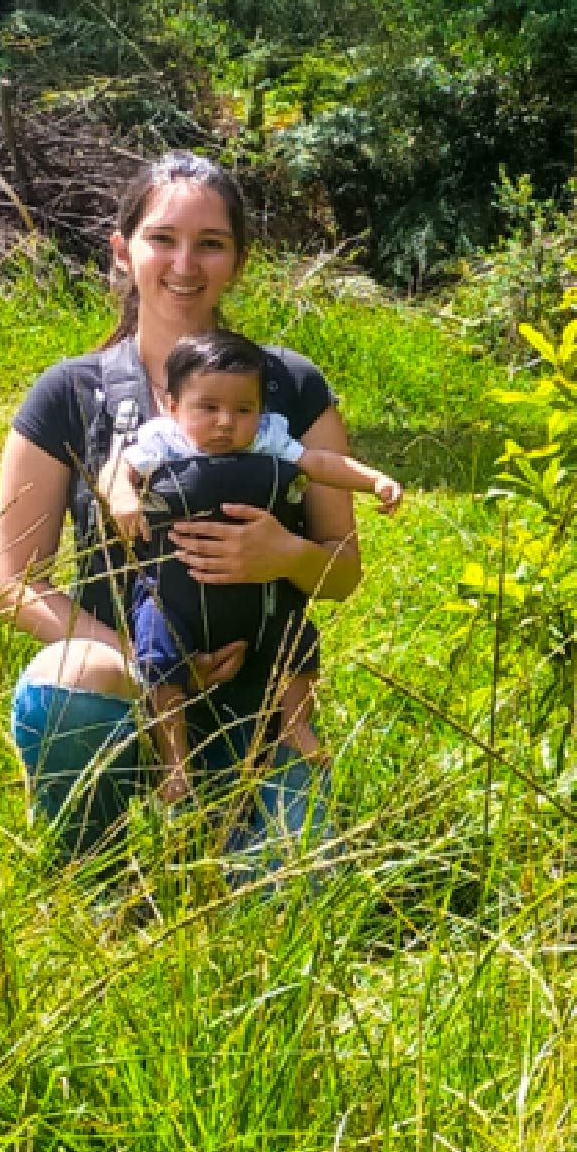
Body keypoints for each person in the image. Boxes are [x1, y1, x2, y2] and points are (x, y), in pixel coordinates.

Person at [0, 150, 367, 876]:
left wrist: (286, 555)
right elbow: (11, 581)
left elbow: (343, 573)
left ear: (239, 260)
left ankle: (232, 803)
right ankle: (92, 865)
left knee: (295, 896)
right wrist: (150, 663)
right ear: (122, 250)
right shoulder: (69, 393)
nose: (184, 264)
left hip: (260, 699)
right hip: (124, 684)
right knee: (69, 669)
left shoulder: (291, 386)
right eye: (162, 238)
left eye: (210, 243)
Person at [100, 327, 403, 808]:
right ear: (173, 406)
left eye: (243, 409)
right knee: (159, 654)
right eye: (209, 408)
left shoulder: (267, 440)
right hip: (176, 594)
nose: (226, 422)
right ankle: (174, 762)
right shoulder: (164, 441)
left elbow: (321, 463)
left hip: (259, 599)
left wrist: (375, 481)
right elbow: (120, 469)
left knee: (297, 638)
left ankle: (295, 725)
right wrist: (122, 495)